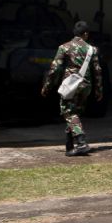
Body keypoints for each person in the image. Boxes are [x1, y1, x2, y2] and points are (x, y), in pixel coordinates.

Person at [41, 20, 103, 157]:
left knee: (69, 113)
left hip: (71, 86)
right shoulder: (92, 50)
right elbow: (97, 71)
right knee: (75, 113)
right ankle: (70, 146)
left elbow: (54, 69)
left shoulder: (64, 47)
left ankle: (81, 143)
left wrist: (47, 86)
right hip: (86, 86)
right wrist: (99, 90)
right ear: (85, 34)